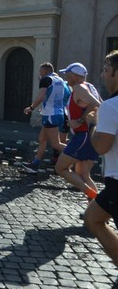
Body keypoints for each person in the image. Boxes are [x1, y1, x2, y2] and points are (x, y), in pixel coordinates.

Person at [84, 50, 118, 266]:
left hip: (117, 181)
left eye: (106, 70)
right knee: (92, 217)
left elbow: (101, 147)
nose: (103, 75)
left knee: (93, 219)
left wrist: (93, 124)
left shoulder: (110, 106)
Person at [54, 63, 102, 200]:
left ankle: (94, 196)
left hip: (84, 135)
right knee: (83, 175)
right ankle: (94, 211)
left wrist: (79, 121)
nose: (65, 77)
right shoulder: (90, 87)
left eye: (67, 74)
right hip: (90, 135)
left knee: (60, 168)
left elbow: (96, 105)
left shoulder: (79, 87)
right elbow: (101, 103)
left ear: (74, 76)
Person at [22, 62, 68, 173]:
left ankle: (79, 154)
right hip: (59, 113)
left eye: (40, 71)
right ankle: (35, 163)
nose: (39, 73)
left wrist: (31, 108)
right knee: (42, 139)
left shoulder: (46, 80)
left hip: (50, 115)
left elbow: (41, 96)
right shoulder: (60, 80)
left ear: (45, 71)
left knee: (55, 144)